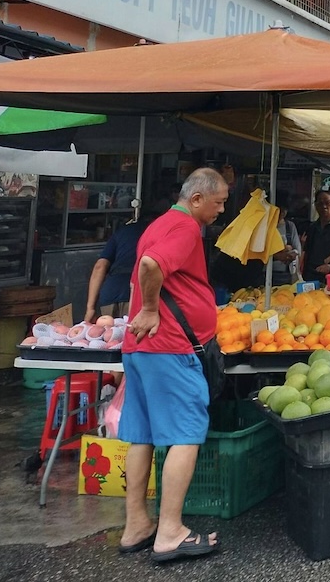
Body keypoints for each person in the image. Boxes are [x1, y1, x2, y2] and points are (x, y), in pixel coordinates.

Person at [118, 168, 227, 564]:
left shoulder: (159, 223)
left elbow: (147, 268)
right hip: (169, 348)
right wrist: (149, 309)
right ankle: (170, 532)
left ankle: (137, 525)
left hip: (142, 348)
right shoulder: (183, 229)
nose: (221, 210)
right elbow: (149, 266)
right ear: (196, 199)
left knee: (142, 434)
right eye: (218, 203)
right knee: (186, 433)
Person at [84, 207, 157, 324]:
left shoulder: (121, 232)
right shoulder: (157, 233)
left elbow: (100, 266)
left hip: (110, 292)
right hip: (137, 293)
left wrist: (90, 308)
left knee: (107, 338)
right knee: (131, 337)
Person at [303, 190, 330, 279]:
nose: (324, 206)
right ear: (315, 205)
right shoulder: (312, 227)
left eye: (327, 203)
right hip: (310, 274)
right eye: (320, 203)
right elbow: (307, 251)